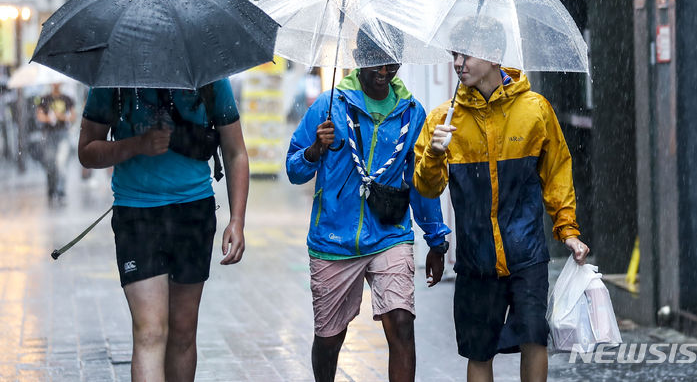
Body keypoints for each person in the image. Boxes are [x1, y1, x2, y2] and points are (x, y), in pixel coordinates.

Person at [413, 17, 590, 382]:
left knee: (534, 339)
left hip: (527, 254)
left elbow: (557, 170)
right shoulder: (442, 121)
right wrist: (433, 153)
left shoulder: (535, 110)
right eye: (454, 55)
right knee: (479, 350)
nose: (459, 63)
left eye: (467, 54)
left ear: (494, 56)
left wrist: (567, 229)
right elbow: (427, 188)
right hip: (476, 260)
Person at [286, 29, 451, 382]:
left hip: (390, 234)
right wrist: (315, 150)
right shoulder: (329, 106)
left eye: (393, 61)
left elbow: (420, 184)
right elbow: (293, 170)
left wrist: (437, 240)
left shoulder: (412, 113)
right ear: (359, 55)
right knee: (329, 340)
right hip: (332, 240)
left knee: (402, 324)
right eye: (376, 58)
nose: (384, 69)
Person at [77, 80, 248, 382]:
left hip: (193, 213)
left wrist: (237, 220)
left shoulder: (207, 76)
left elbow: (236, 152)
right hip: (137, 214)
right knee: (150, 332)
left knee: (183, 331)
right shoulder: (114, 79)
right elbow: (87, 151)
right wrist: (137, 145)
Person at [36, 83, 77, 202]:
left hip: (63, 133)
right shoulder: (44, 98)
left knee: (61, 162)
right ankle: (51, 187)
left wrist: (61, 117)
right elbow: (39, 116)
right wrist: (49, 118)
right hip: (49, 134)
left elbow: (73, 117)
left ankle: (60, 190)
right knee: (49, 162)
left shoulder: (67, 98)